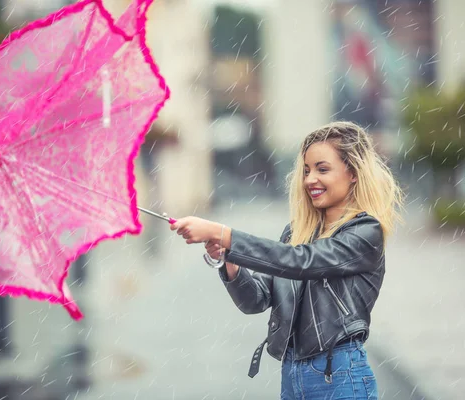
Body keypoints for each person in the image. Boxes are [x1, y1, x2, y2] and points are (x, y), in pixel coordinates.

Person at [170, 121, 403, 399]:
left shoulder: (365, 232)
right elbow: (254, 300)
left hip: (340, 376)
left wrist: (224, 234)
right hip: (293, 376)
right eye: (306, 170)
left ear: (352, 173)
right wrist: (228, 260)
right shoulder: (296, 233)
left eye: (322, 169)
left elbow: (303, 262)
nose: (309, 179)